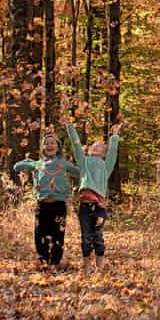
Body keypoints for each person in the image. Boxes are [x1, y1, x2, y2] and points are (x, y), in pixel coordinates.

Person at [65, 108, 122, 273]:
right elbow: (76, 146)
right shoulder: (84, 162)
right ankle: (87, 267)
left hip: (99, 208)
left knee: (97, 237)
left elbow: (113, 151)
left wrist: (115, 136)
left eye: (100, 147)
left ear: (103, 154)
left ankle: (99, 266)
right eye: (93, 146)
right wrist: (70, 126)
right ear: (89, 150)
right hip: (84, 206)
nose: (96, 147)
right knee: (85, 238)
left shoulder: (106, 166)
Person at [12, 130, 78, 269]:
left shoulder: (64, 164)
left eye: (53, 143)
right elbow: (17, 167)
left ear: (58, 147)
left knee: (58, 233)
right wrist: (30, 162)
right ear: (43, 147)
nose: (49, 145)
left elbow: (79, 172)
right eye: (46, 143)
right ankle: (43, 260)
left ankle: (55, 261)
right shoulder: (38, 164)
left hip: (59, 204)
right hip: (42, 204)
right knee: (40, 232)